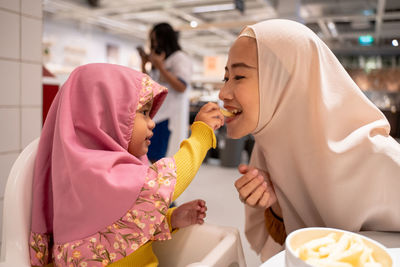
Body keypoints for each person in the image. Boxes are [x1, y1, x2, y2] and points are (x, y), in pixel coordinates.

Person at [218, 19, 400, 262]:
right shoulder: (267, 150)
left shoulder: (376, 156)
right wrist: (276, 206)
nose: (223, 93)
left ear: (287, 82)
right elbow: (292, 243)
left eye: (239, 76)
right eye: (225, 77)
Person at [29, 63, 224, 266]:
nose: (152, 122)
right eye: (144, 113)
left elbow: (118, 231)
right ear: (105, 116)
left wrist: (169, 220)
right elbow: (163, 183)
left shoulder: (106, 170)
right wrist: (201, 136)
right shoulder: (92, 174)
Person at [138, 22, 193, 162]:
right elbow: (148, 85)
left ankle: (159, 183)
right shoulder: (161, 59)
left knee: (159, 158)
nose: (154, 43)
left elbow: (181, 86)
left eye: (156, 39)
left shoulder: (179, 58)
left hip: (167, 116)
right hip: (155, 114)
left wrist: (161, 67)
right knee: (146, 156)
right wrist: (145, 64)